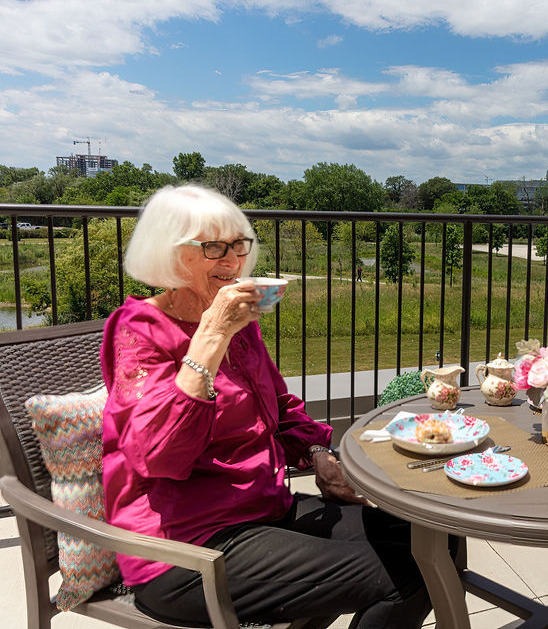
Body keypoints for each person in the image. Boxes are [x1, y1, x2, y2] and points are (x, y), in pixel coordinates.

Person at [101, 184, 430, 628]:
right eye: (214, 247)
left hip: (264, 511)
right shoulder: (139, 330)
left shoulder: (241, 324)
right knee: (407, 573)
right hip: (186, 548)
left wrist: (319, 456)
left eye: (238, 245)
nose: (233, 261)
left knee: (431, 541)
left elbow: (279, 407)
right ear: (171, 255)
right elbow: (159, 455)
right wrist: (212, 336)